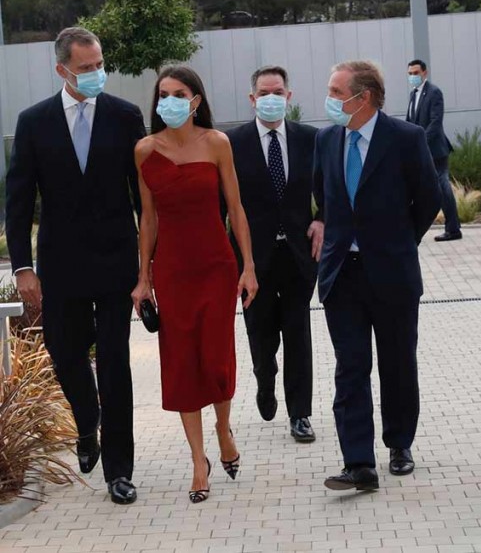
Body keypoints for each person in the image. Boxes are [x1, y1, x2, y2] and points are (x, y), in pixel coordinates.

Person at [6, 27, 145, 504]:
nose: (96, 74)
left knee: (115, 363)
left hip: (116, 261)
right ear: (62, 69)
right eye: (86, 68)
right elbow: (18, 202)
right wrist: (22, 267)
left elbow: (142, 197)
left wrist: (149, 267)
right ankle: (87, 422)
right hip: (61, 264)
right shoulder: (34, 122)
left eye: (99, 65)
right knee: (64, 353)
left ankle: (119, 470)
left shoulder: (125, 117)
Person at [131, 64, 258, 504]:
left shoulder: (217, 143)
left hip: (216, 267)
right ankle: (198, 462)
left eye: (179, 94)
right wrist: (143, 278)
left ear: (196, 101)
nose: (169, 101)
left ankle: (223, 429)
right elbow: (148, 219)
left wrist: (248, 267)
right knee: (182, 363)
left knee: (217, 360)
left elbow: (236, 209)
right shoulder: (145, 150)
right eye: (163, 95)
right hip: (172, 271)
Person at [314, 60, 441, 491]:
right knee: (350, 367)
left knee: (397, 362)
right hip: (342, 275)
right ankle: (358, 463)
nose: (330, 99)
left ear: (362, 97)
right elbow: (323, 196)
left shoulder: (405, 138)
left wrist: (399, 242)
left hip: (391, 272)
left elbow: (428, 198)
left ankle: (399, 444)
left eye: (336, 92)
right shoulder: (326, 139)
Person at [224, 66, 323, 443]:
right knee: (261, 333)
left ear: (288, 96)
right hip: (252, 259)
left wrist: (323, 218)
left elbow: (328, 186)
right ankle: (265, 379)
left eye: (277, 92)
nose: (271, 98)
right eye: (264, 93)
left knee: (298, 333)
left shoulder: (309, 139)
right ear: (252, 99)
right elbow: (222, 202)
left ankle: (300, 413)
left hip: (298, 254)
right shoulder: (232, 143)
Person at [406, 59, 462, 241]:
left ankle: (453, 229)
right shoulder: (413, 94)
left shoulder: (434, 92)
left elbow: (435, 122)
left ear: (425, 73)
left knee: (442, 187)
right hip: (421, 149)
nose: (413, 76)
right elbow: (410, 122)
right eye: (410, 74)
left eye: (416, 73)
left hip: (436, 149)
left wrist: (420, 142)